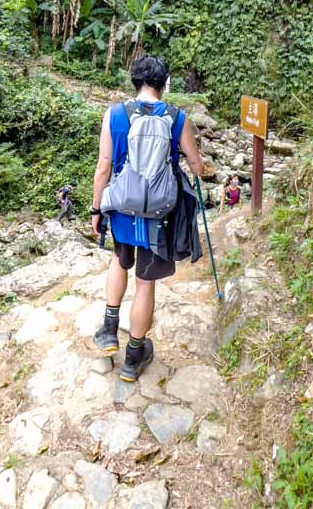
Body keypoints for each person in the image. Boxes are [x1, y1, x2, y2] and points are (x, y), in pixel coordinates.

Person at [90, 55, 204, 381]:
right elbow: (196, 165)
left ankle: (110, 330)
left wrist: (97, 209)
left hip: (122, 209)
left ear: (134, 80)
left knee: (118, 261)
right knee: (145, 282)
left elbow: (103, 168)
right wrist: (194, 169)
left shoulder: (115, 115)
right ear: (164, 83)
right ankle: (133, 358)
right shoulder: (177, 118)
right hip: (158, 215)